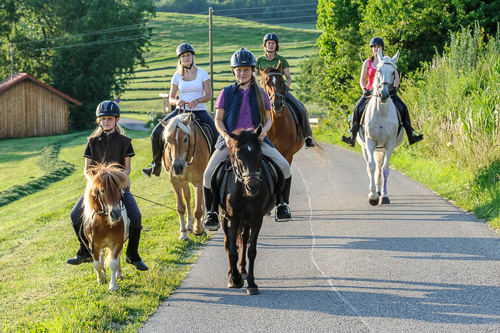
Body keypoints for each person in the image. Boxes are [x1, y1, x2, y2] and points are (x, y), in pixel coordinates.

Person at [203, 48, 293, 231]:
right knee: (207, 174)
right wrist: (226, 137)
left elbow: (268, 120)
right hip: (231, 141)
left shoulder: (261, 93)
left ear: (252, 70)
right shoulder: (225, 92)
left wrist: (263, 132)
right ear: (233, 71)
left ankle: (283, 205)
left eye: (246, 70)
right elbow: (218, 120)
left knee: (284, 165)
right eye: (239, 70)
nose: (242, 73)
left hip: (255, 140)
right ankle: (211, 212)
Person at [66, 101, 148, 271]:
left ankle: (133, 255)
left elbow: (127, 169)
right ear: (99, 121)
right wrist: (94, 183)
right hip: (96, 188)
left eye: (109, 119)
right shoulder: (92, 141)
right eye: (103, 119)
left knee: (136, 217)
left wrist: (115, 182)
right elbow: (87, 169)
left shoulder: (125, 142)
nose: (106, 122)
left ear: (116, 120)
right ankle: (85, 251)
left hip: (118, 188)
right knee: (74, 215)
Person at [142, 43, 217, 177]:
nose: (186, 57)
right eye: (183, 56)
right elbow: (171, 97)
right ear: (180, 59)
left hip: (199, 110)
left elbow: (209, 95)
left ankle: (216, 167)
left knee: (217, 135)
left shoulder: (202, 73)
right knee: (155, 133)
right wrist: (177, 101)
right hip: (180, 111)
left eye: (188, 55)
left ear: (193, 56)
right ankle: (155, 165)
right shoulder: (176, 75)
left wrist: (197, 100)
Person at [341, 37, 423, 147]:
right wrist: (364, 89)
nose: (376, 48)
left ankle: (411, 134)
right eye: (374, 47)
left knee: (403, 107)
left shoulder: (387, 61)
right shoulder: (367, 62)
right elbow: (362, 79)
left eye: (378, 46)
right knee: (357, 109)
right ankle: (352, 135)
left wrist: (394, 88)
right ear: (371, 49)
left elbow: (396, 78)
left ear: (382, 48)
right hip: (371, 92)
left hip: (387, 92)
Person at [255, 33, 316, 148]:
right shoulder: (258, 61)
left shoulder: (282, 60)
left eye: (273, 43)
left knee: (301, 109)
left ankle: (308, 136)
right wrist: (258, 90)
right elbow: (254, 77)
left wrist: (286, 88)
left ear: (276, 45)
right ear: (265, 45)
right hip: (264, 92)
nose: (271, 45)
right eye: (269, 43)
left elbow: (288, 78)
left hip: (280, 91)